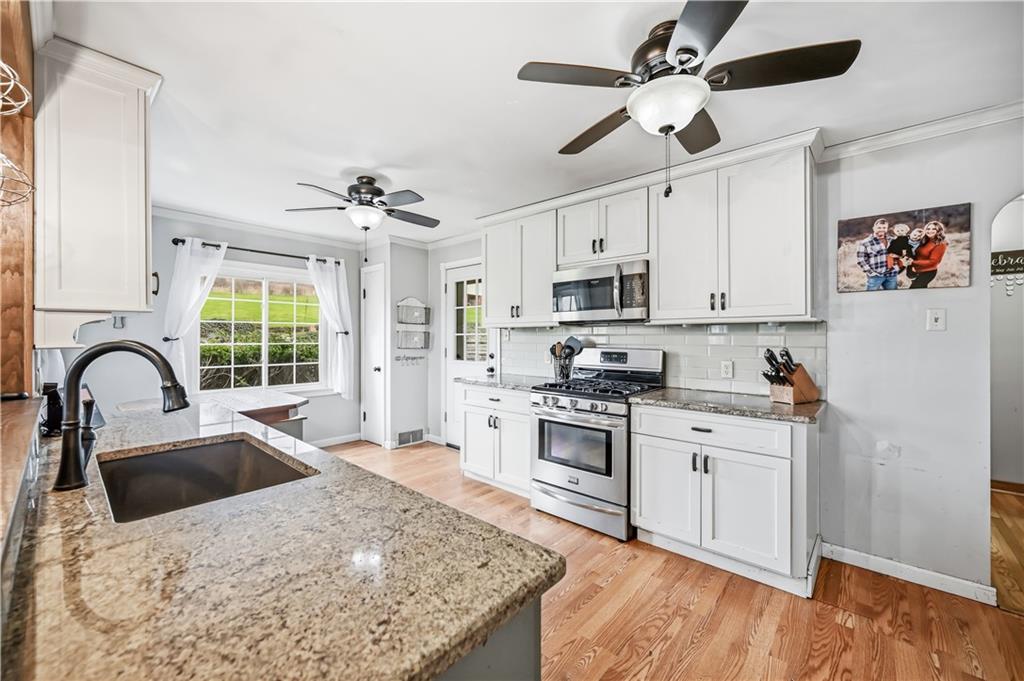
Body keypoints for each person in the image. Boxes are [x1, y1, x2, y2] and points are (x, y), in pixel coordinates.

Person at [856, 218, 900, 290]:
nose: (881, 229)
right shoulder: (865, 242)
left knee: (892, 297)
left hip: (891, 274)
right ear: (874, 228)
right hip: (875, 276)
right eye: (879, 227)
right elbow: (861, 260)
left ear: (887, 228)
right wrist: (871, 273)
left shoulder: (893, 240)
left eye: (884, 227)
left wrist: (897, 266)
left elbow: (900, 254)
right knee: (870, 297)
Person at [907, 220, 948, 289]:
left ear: (939, 230)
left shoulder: (940, 244)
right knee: (921, 294)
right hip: (915, 270)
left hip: (927, 272)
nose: (930, 231)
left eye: (934, 229)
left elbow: (933, 262)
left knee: (913, 290)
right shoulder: (923, 240)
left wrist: (913, 262)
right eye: (928, 229)